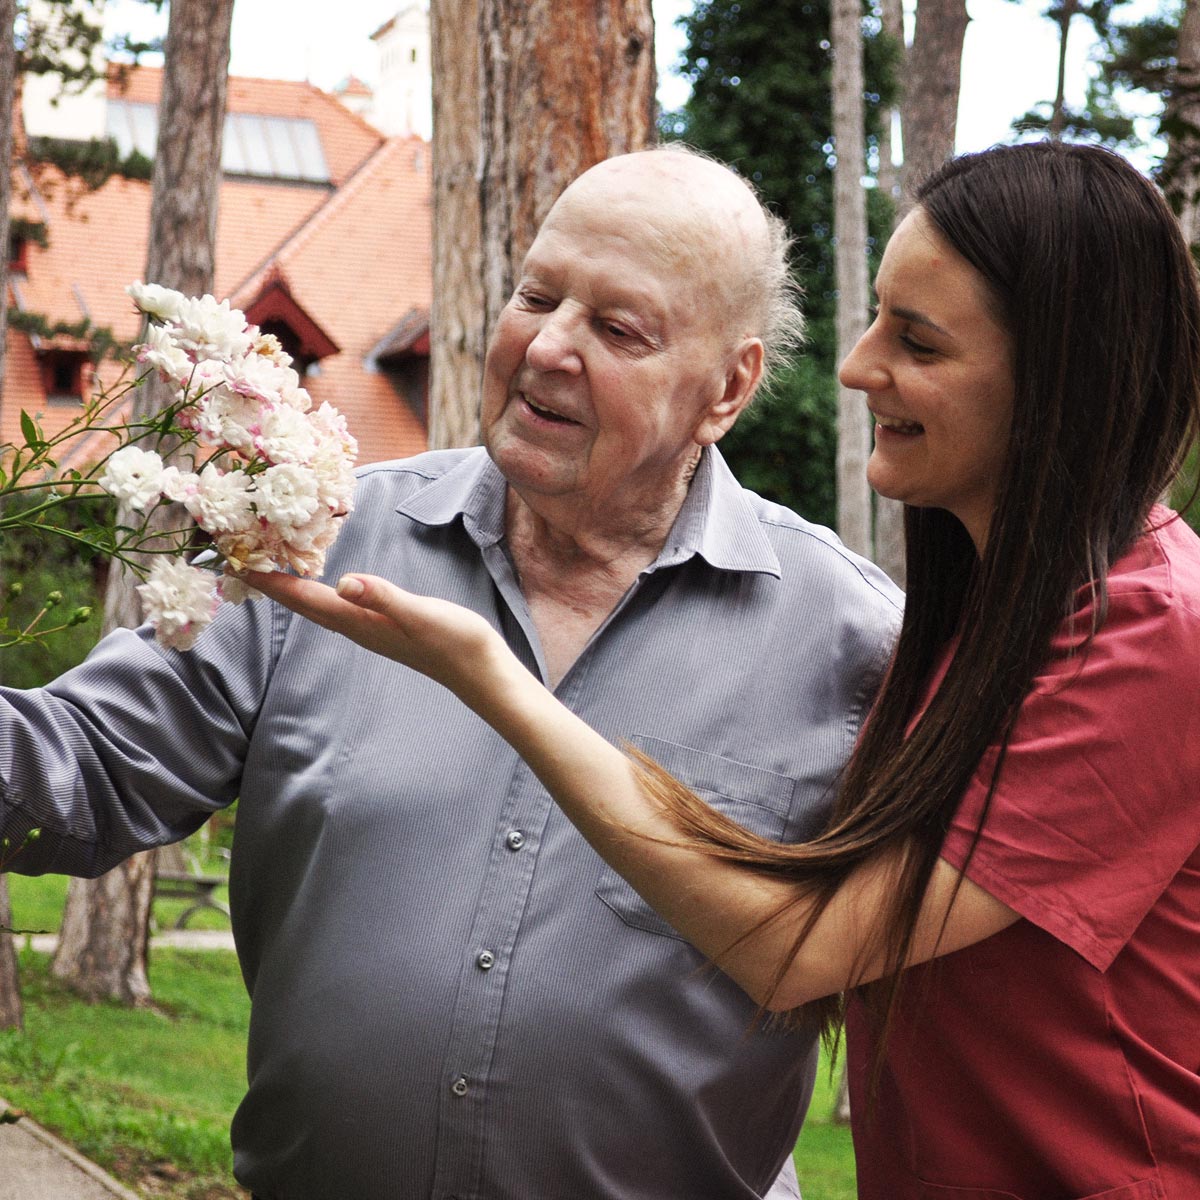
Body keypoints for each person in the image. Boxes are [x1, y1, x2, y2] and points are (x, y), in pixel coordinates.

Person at [254, 140, 1200, 1198]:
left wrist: (493, 679)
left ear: (1058, 385)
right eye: (879, 315)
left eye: (919, 342)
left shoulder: (1152, 640)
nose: (857, 365)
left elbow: (803, 950)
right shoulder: (988, 620)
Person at [0, 145, 902, 1198]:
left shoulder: (854, 643)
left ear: (728, 388)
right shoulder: (320, 537)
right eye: (537, 294)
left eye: (617, 329)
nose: (548, 347)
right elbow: (81, 769)